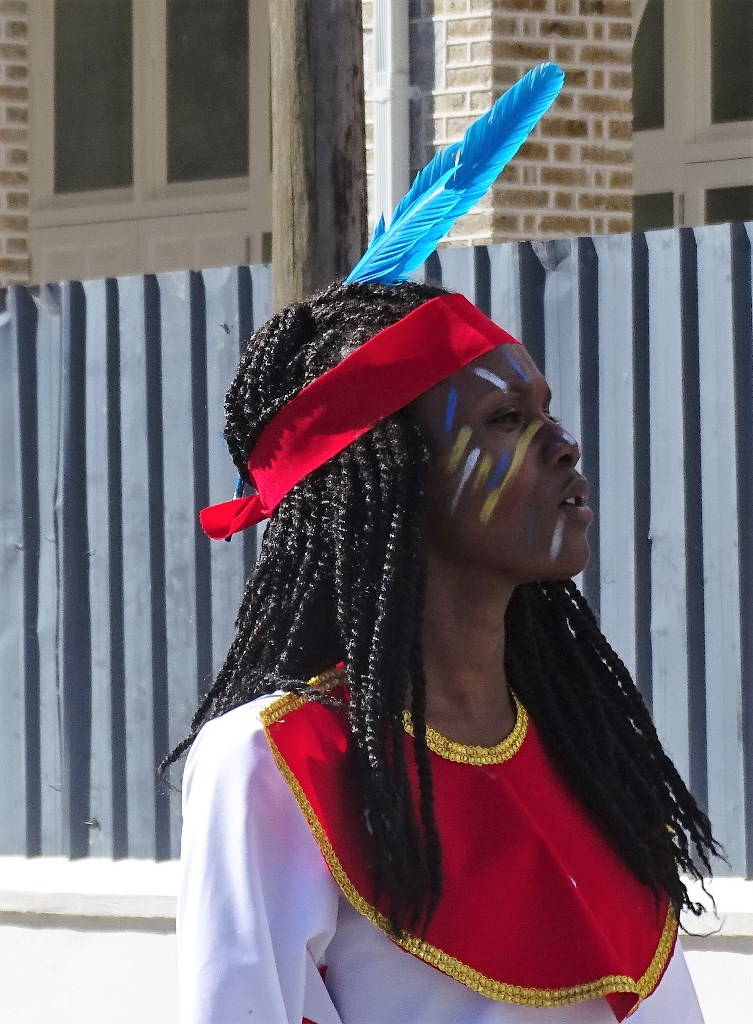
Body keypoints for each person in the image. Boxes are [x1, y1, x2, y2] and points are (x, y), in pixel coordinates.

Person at [166, 66, 719, 1024]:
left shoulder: (589, 753)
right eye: (506, 419)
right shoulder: (273, 762)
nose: (563, 443)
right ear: (387, 482)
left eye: (545, 409)